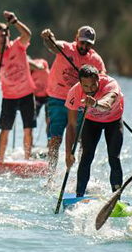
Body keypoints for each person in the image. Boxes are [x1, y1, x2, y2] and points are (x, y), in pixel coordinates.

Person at [40, 26, 106, 175]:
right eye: (82, 42)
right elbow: (52, 45)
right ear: (76, 39)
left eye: (88, 44)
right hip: (58, 99)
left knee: (83, 140)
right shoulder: (65, 48)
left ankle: (80, 176)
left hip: (79, 102)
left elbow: (102, 78)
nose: (84, 47)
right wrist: (47, 37)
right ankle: (50, 177)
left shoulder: (95, 60)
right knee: (55, 139)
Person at [65, 65, 124, 196]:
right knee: (86, 157)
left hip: (114, 121)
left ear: (98, 79)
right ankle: (79, 195)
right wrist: (68, 153)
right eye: (85, 86)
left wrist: (95, 103)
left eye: (93, 85)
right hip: (92, 122)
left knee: (114, 158)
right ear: (80, 83)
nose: (90, 90)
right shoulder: (74, 92)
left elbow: (107, 104)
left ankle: (116, 197)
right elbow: (71, 125)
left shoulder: (110, 84)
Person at [0, 11, 36, 162]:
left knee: (28, 129)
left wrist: (15, 21)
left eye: (4, 35)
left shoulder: (18, 46)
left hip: (27, 93)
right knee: (5, 129)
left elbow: (27, 35)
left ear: (8, 35)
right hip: (9, 96)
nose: (1, 38)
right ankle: (1, 160)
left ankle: (27, 160)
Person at [29, 57, 50, 127]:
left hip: (49, 95)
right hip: (37, 97)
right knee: (31, 119)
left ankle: (49, 133)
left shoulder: (39, 62)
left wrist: (36, 67)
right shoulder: (24, 73)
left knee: (49, 120)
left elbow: (42, 65)